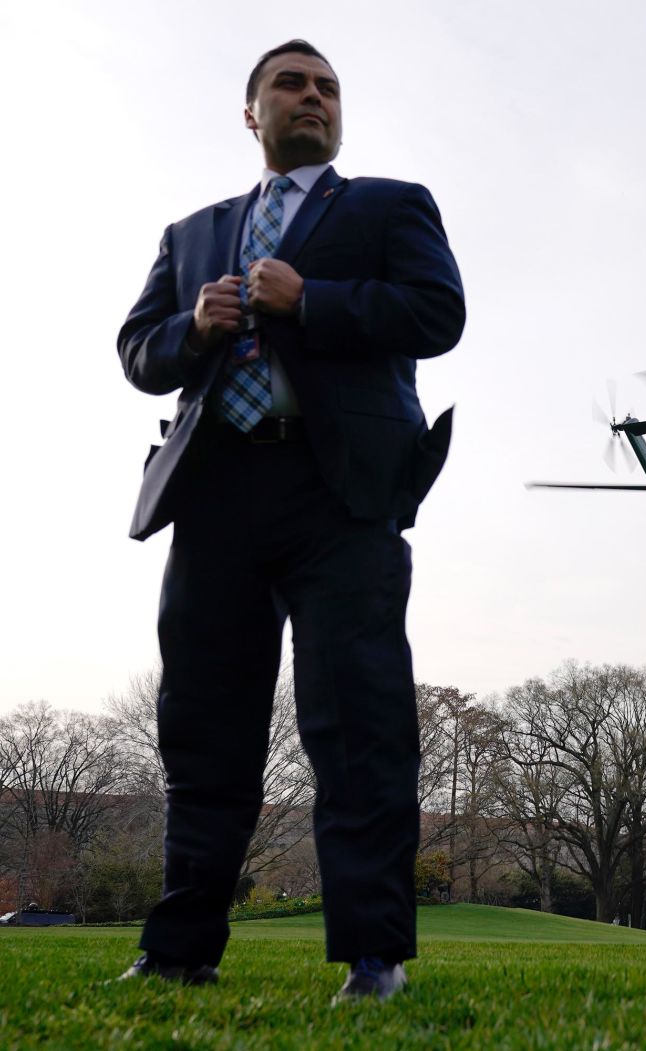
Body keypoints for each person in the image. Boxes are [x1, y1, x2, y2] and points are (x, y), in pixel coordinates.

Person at [115, 39, 464, 1003]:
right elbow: (138, 350)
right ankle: (180, 949)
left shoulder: (392, 205)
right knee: (203, 728)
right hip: (216, 494)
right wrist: (194, 328)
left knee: (358, 719)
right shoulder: (192, 233)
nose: (313, 97)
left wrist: (314, 299)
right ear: (251, 110)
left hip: (340, 494)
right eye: (291, 84)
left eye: (328, 88)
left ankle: (373, 957)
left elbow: (437, 313)